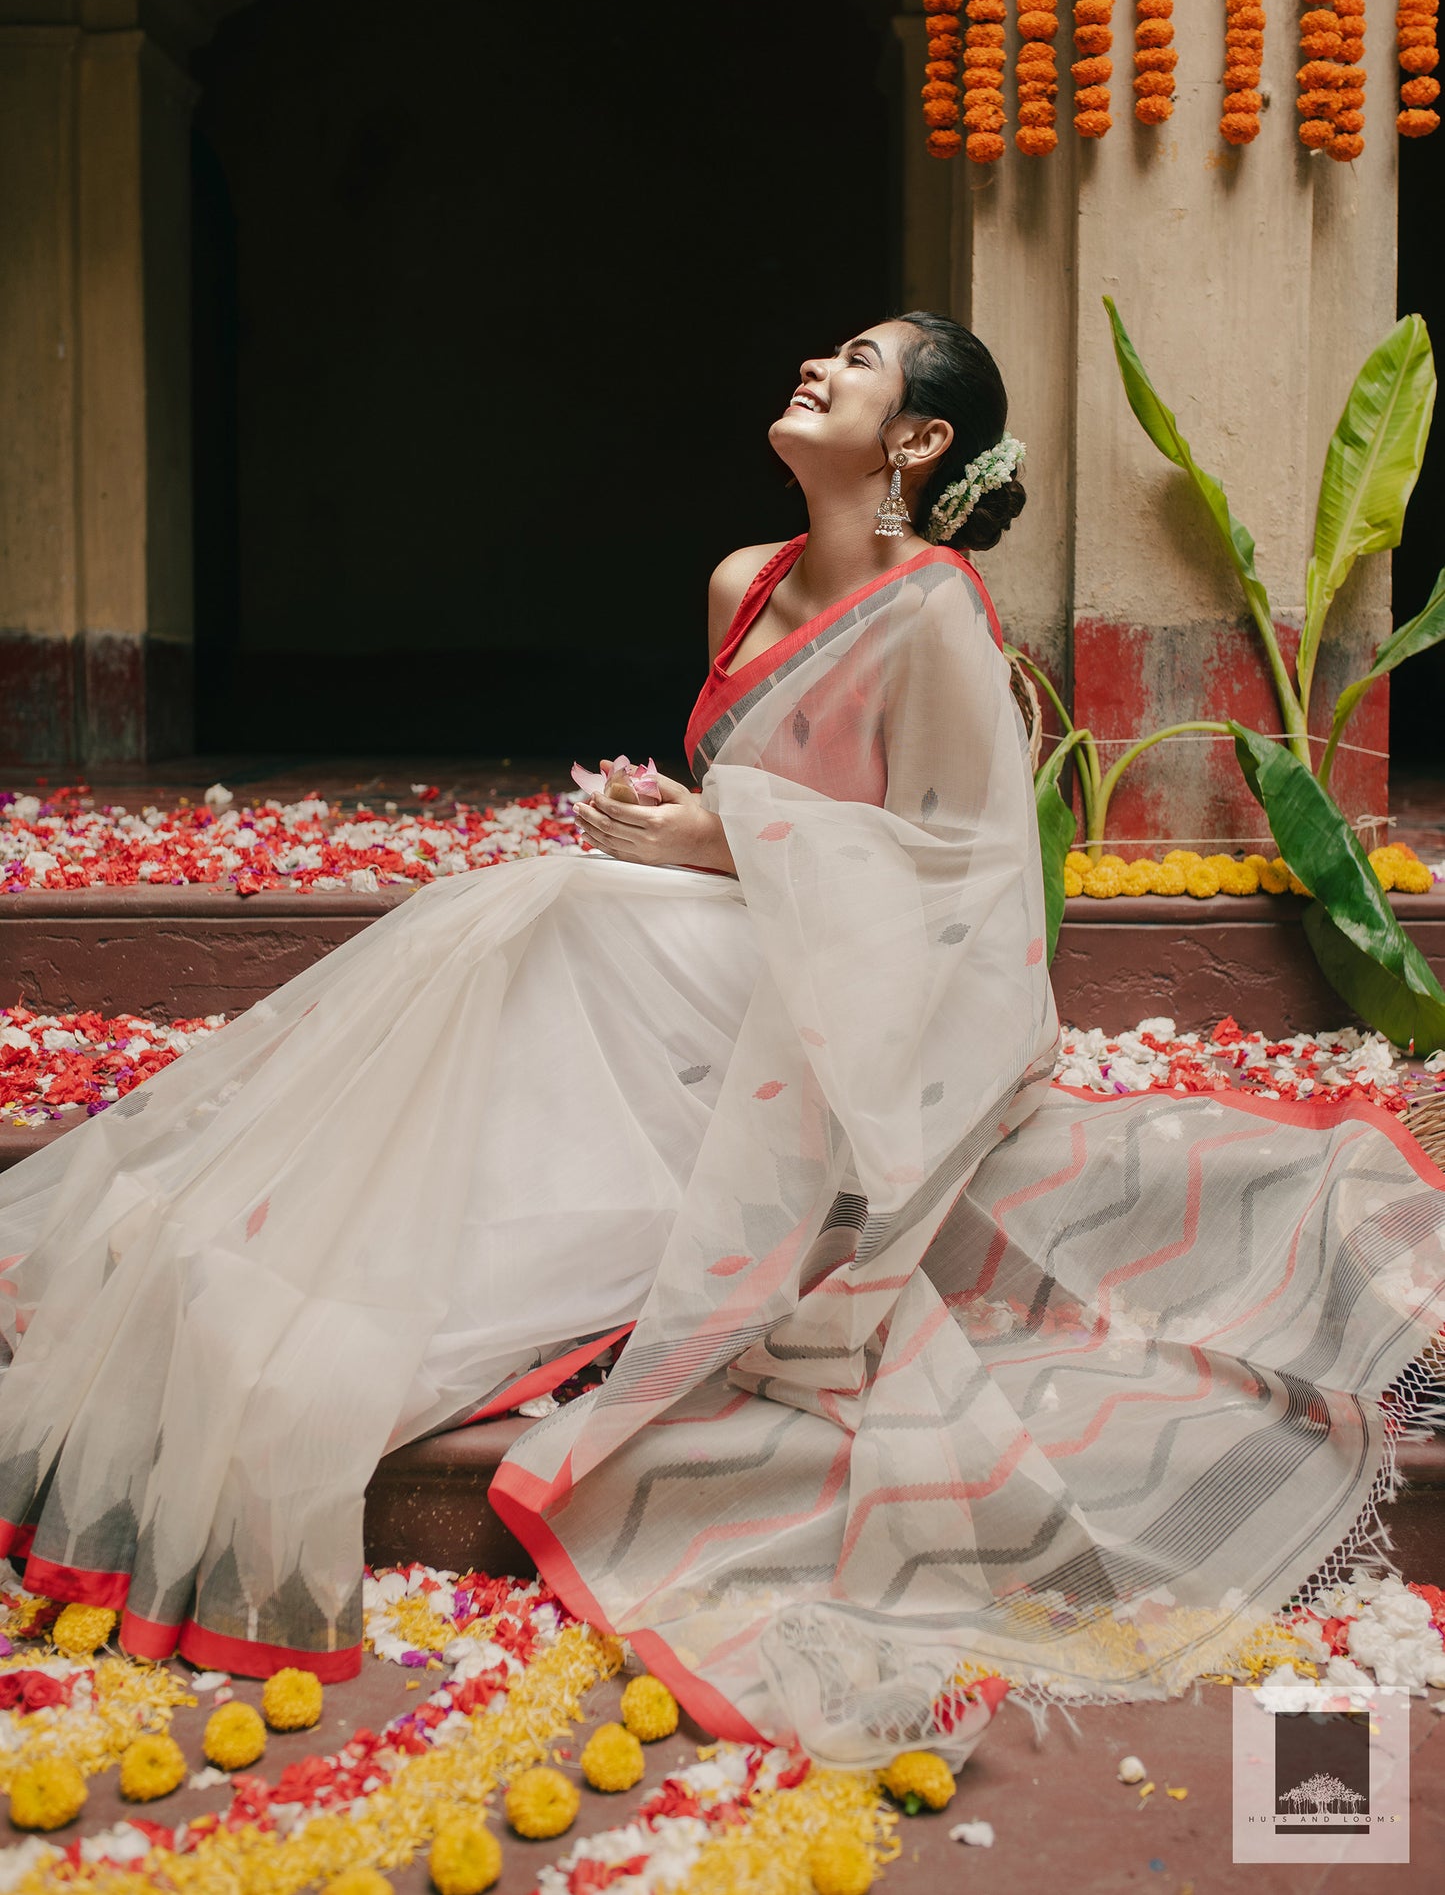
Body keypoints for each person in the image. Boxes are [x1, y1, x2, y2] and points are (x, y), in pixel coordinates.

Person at [0, 314, 1441, 1763]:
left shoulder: (935, 605)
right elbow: (752, 808)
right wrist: (670, 825)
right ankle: (328, 1250)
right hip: (729, 957)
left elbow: (962, 869)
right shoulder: (740, 587)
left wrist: (713, 838)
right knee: (542, 908)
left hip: (865, 997)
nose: (817, 364)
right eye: (827, 348)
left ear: (917, 441)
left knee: (555, 911)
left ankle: (373, 1282)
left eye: (859, 361)